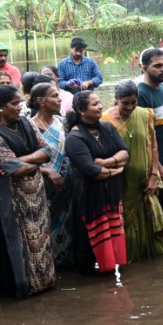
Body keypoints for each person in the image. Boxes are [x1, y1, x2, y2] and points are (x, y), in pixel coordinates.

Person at [0, 85, 57, 298]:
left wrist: (22, 159)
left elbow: (47, 151)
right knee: (18, 241)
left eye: (20, 102)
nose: (20, 107)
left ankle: (45, 282)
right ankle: (23, 287)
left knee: (40, 239)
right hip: (12, 197)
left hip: (37, 194)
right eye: (15, 104)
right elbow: (14, 170)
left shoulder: (25, 122)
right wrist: (29, 159)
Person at [58, 91, 129, 275]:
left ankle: (111, 279)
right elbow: (91, 171)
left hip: (111, 193)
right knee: (88, 243)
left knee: (113, 236)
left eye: (100, 102)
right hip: (89, 198)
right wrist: (116, 169)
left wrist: (107, 163)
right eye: (95, 104)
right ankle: (88, 282)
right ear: (81, 110)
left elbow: (125, 153)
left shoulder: (107, 127)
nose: (100, 106)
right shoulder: (74, 138)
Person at [98, 80, 163, 260]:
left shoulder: (146, 115)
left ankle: (152, 264)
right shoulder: (104, 120)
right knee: (125, 224)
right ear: (116, 100)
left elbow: (153, 146)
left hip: (145, 182)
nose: (130, 107)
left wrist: (154, 174)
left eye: (133, 102)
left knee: (149, 222)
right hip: (120, 183)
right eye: (125, 103)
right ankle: (128, 262)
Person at [28, 82, 76, 269]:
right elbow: (21, 161)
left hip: (67, 186)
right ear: (40, 101)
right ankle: (48, 267)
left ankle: (68, 266)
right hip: (43, 188)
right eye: (54, 96)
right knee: (46, 226)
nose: (59, 99)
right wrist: (47, 171)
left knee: (69, 225)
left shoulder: (62, 122)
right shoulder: (29, 128)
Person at [136, 47, 163, 221]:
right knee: (153, 210)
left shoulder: (162, 88)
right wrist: (157, 166)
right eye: (157, 66)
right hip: (155, 163)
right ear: (143, 68)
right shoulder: (141, 94)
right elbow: (144, 136)